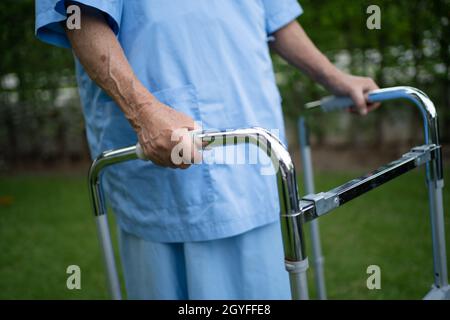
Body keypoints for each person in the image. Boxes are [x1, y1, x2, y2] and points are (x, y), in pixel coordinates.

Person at [35, 0, 379, 299]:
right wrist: (144, 113)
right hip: (170, 173)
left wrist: (336, 78)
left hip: (258, 156)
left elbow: (277, 17)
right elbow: (79, 15)